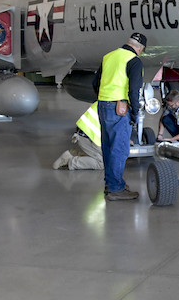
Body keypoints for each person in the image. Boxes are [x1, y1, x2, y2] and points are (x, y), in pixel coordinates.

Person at [93, 32, 146, 201]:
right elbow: (134, 90)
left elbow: (96, 83)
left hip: (103, 105)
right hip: (119, 108)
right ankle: (116, 189)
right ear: (140, 48)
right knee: (120, 148)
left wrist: (105, 99)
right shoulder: (134, 61)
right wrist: (135, 113)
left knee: (108, 147)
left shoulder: (108, 56)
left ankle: (112, 183)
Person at [52, 103, 106, 170]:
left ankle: (74, 154)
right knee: (104, 163)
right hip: (89, 137)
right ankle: (70, 161)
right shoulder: (118, 107)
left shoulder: (107, 99)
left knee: (110, 157)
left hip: (85, 134)